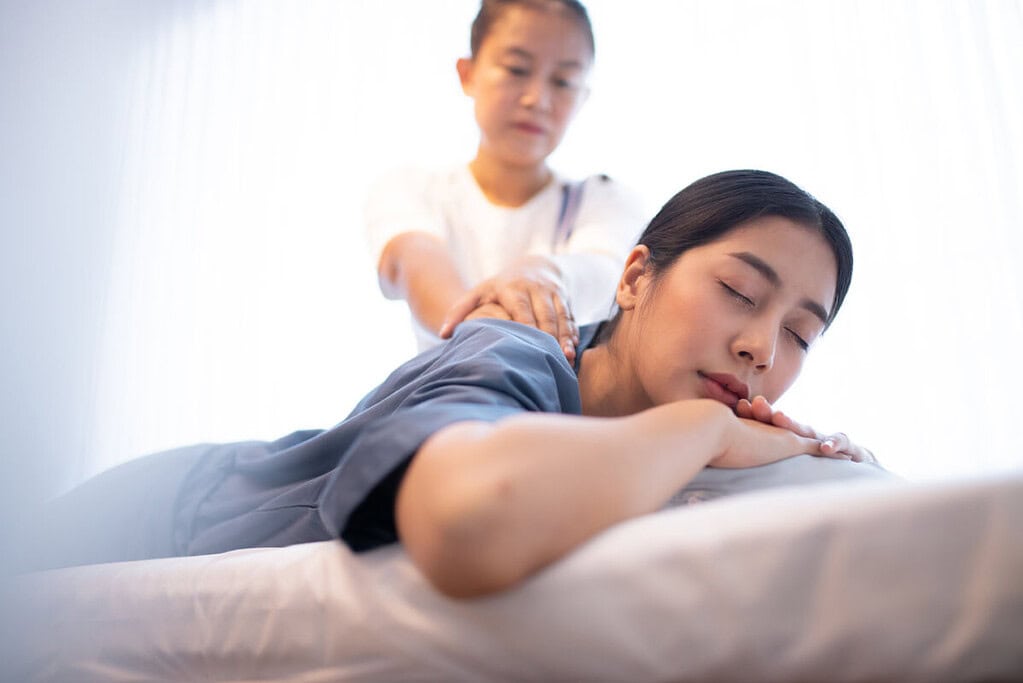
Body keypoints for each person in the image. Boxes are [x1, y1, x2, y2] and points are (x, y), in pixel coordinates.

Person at [20, 170, 875, 600]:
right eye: (737, 291)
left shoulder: (668, 444)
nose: (762, 346)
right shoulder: (518, 350)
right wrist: (708, 429)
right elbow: (469, 516)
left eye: (801, 331)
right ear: (634, 277)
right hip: (147, 518)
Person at [366, 0, 649, 362]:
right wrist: (485, 320)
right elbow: (413, 263)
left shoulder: (605, 201)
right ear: (467, 73)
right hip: (444, 399)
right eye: (517, 69)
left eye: (563, 81)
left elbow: (604, 269)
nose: (537, 99)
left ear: (582, 97)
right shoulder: (412, 189)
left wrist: (543, 273)